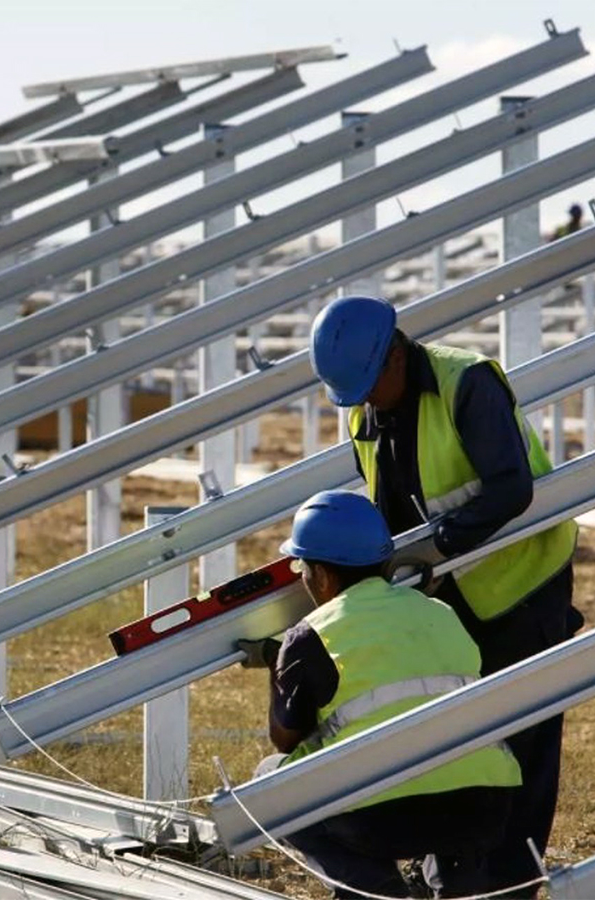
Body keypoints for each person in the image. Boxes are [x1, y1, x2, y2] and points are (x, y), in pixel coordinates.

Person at [308, 295, 580, 894]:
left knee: (522, 752)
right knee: (455, 745)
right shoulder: (363, 414)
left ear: (395, 358)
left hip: (520, 589)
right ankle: (451, 880)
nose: (364, 405)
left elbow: (511, 486)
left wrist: (441, 545)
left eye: (367, 389)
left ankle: (507, 887)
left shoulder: (467, 384)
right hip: (447, 604)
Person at [237, 490, 521, 899]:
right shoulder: (439, 612)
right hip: (485, 805)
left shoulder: (312, 634)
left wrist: (277, 662)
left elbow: (286, 739)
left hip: (386, 817)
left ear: (322, 576)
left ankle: (375, 891)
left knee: (270, 778)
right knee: (444, 762)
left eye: (301, 566)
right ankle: (456, 887)